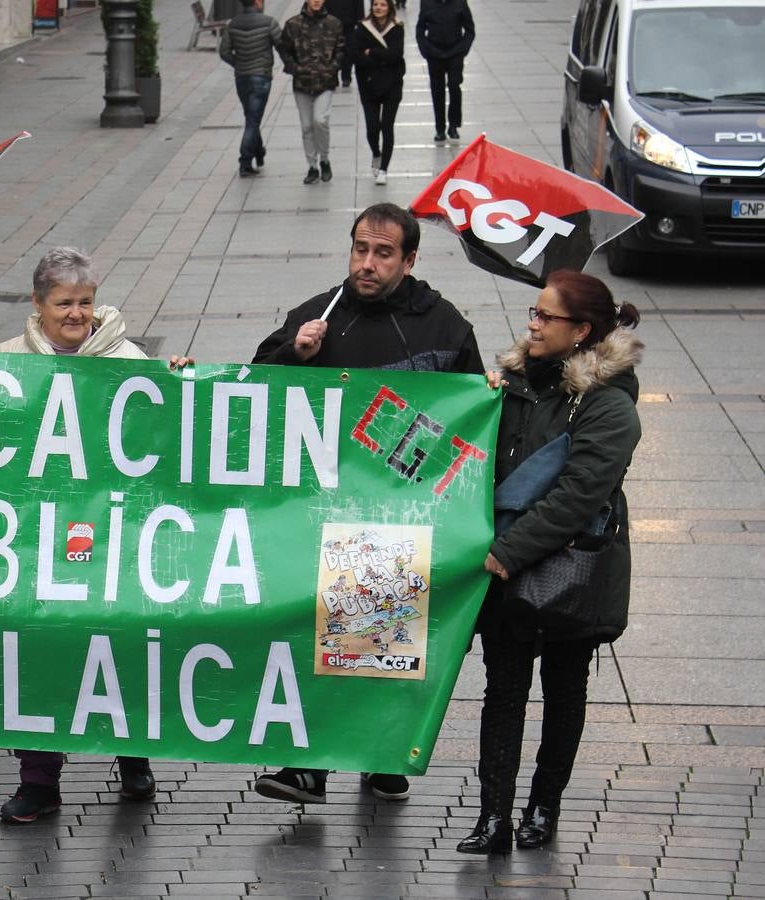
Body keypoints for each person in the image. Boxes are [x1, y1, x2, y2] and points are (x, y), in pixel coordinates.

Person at [250, 202, 484, 805]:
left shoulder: (444, 327)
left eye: (383, 253)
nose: (367, 264)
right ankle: (324, 760)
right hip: (322, 510)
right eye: (360, 249)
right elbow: (250, 395)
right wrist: (291, 357)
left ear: (410, 260)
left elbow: (473, 416)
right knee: (329, 639)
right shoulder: (318, 316)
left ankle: (372, 755)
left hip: (399, 513)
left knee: (378, 642)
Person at [0, 247, 191, 824]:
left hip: (111, 533)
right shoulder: (10, 359)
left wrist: (184, 383)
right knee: (42, 650)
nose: (76, 314)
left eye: (85, 302)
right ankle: (39, 781)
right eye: (63, 303)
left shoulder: (128, 358)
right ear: (37, 305)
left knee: (120, 642)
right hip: (37, 538)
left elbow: (158, 432)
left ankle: (133, 756)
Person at [459, 272, 642, 854]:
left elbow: (576, 496)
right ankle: (493, 817)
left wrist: (507, 552)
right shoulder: (511, 385)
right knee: (503, 691)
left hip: (570, 568)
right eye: (532, 313)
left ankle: (544, 806)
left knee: (564, 690)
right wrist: (476, 403)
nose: (532, 324)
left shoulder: (609, 406)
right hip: (507, 570)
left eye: (546, 317)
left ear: (582, 331)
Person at [278, 0, 346, 185]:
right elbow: (284, 49)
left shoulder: (333, 23)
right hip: (302, 82)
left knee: (320, 120)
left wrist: (331, 68)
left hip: (325, 82)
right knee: (307, 125)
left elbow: (341, 49)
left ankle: (324, 159)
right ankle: (312, 166)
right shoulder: (293, 24)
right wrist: (294, 67)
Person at [219, 0, 282, 178]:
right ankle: (245, 161)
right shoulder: (269, 22)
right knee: (253, 121)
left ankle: (259, 152)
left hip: (242, 78)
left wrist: (238, 64)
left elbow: (224, 52)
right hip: (261, 77)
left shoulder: (233, 24)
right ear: (257, 2)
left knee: (251, 117)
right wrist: (291, 65)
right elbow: (282, 45)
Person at [347, 0, 405, 185]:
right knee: (372, 127)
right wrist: (382, 58)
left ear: (389, 8)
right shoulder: (361, 29)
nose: (378, 8)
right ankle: (376, 153)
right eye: (376, 4)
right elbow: (356, 56)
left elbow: (396, 55)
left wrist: (371, 51)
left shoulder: (397, 29)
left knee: (387, 126)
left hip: (392, 85)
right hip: (369, 85)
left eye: (383, 4)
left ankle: (384, 169)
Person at [415, 0, 474, 143]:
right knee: (437, 90)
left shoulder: (460, 3)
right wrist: (425, 50)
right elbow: (420, 30)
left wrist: (463, 50)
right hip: (434, 53)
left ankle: (453, 125)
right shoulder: (426, 3)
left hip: (455, 53)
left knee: (454, 86)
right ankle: (440, 129)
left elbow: (470, 30)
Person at [324, 0, 364, 86]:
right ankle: (333, 75)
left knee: (348, 50)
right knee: (331, 49)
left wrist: (360, 19)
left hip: (348, 21)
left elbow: (359, 3)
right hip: (330, 21)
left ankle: (346, 75)